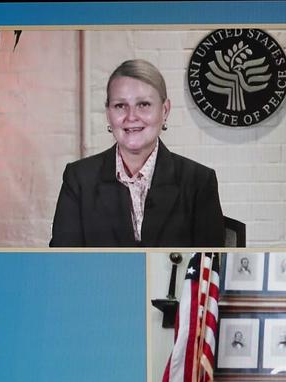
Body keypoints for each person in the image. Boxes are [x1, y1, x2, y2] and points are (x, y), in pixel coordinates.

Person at [50, 59, 225, 247]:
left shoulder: (199, 181)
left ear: (164, 111)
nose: (131, 116)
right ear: (108, 113)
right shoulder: (79, 179)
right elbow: (63, 261)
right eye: (120, 106)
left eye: (143, 104)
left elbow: (208, 266)